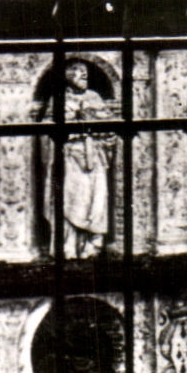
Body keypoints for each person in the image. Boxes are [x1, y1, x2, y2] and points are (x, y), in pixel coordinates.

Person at [43, 61, 115, 259]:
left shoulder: (95, 97)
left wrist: (94, 120)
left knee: (97, 199)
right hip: (71, 154)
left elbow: (109, 124)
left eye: (85, 72)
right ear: (67, 76)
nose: (83, 76)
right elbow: (48, 127)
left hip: (94, 154)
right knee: (72, 199)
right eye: (78, 72)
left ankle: (93, 244)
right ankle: (69, 245)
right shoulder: (58, 98)